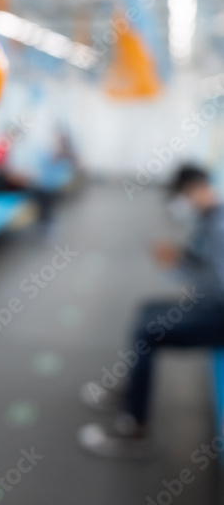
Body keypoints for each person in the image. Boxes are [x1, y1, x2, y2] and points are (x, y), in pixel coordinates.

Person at [78, 164, 224, 458]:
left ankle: (134, 429)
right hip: (212, 306)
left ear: (194, 189)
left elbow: (219, 289)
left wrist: (178, 264)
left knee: (148, 331)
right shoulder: (211, 219)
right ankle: (134, 389)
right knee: (147, 309)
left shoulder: (220, 226)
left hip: (219, 315)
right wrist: (181, 257)